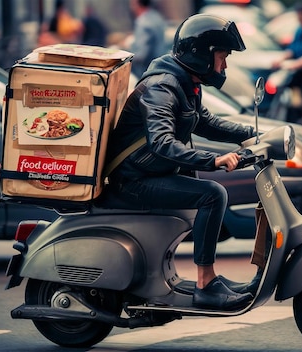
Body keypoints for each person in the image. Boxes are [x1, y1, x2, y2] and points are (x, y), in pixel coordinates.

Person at [101, 14, 256, 310]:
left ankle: (206, 279)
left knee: (204, 189)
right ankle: (205, 284)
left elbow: (204, 122)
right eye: (222, 56)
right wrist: (214, 160)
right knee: (213, 193)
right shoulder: (163, 87)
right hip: (132, 181)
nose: (224, 65)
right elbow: (161, 143)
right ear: (202, 54)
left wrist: (251, 134)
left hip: (146, 173)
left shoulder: (185, 82)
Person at [128, 0, 168, 78]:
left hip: (147, 71)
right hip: (160, 66)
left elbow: (141, 54)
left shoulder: (144, 23)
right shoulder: (156, 16)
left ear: (136, 3)